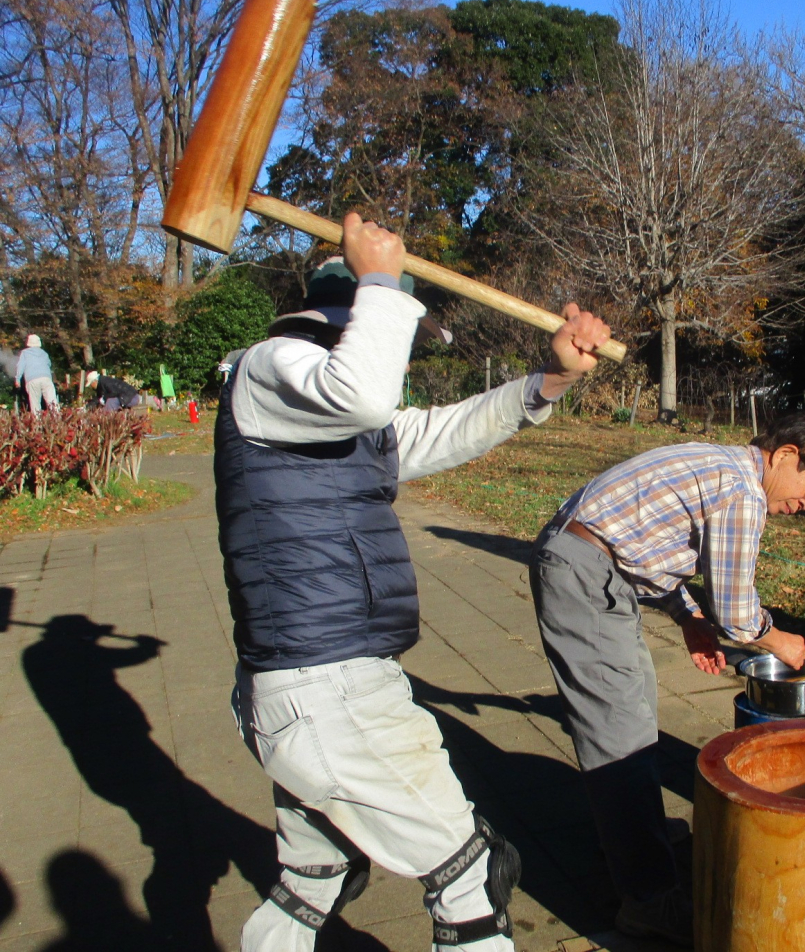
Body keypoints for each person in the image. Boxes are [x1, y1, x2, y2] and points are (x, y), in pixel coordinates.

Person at [218, 213, 611, 952]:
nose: (401, 362)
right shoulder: (271, 369)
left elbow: (436, 430)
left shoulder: (330, 415)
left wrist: (551, 379)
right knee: (473, 876)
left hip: (317, 690)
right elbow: (366, 397)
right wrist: (379, 278)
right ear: (348, 319)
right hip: (325, 694)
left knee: (316, 878)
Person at [528, 413, 805, 945]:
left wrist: (687, 618)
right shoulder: (742, 491)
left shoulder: (723, 466)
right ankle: (648, 900)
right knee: (620, 735)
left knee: (635, 707)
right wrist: (779, 640)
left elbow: (649, 541)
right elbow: (737, 613)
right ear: (786, 457)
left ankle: (638, 839)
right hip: (584, 573)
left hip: (596, 566)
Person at [14, 334, 58, 412]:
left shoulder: (25, 353)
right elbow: (49, 364)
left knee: (35, 403)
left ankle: (37, 419)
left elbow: (20, 366)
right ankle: (56, 417)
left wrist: (17, 379)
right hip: (46, 378)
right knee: (52, 401)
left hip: (32, 379)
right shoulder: (44, 353)